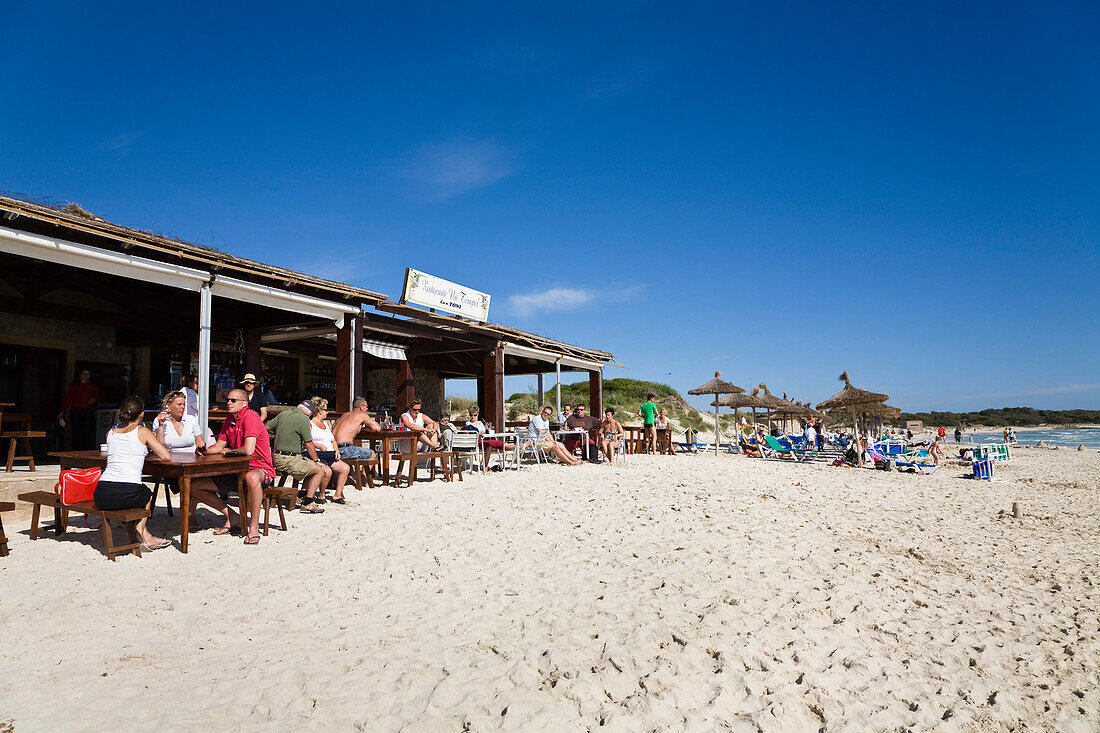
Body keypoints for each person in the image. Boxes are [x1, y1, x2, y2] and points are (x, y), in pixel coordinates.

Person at [195, 388, 277, 542]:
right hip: (237, 470)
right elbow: (219, 447)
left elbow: (248, 449)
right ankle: (233, 517)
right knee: (195, 485)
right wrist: (204, 451)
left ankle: (253, 527)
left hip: (260, 469)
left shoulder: (251, 416)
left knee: (251, 477)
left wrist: (229, 451)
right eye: (227, 399)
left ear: (244, 403)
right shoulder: (230, 419)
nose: (228, 402)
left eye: (233, 400)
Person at [94, 395, 173, 550]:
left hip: (102, 493)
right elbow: (166, 456)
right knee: (146, 495)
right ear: (141, 414)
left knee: (138, 494)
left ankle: (146, 536)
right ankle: (141, 531)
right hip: (128, 491)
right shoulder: (142, 431)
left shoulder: (111, 432)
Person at [267, 400, 327, 513]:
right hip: (288, 459)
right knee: (320, 470)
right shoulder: (304, 419)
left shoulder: (284, 413)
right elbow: (309, 443)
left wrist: (278, 433)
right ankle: (308, 502)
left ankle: (302, 495)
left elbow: (266, 427)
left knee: (311, 467)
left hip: (277, 456)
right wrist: (317, 460)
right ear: (309, 414)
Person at [308, 397, 351, 504]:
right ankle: (321, 495)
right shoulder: (310, 424)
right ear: (319, 410)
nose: (327, 412)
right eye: (325, 409)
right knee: (327, 471)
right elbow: (306, 441)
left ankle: (337, 495)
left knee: (345, 468)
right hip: (317, 454)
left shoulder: (325, 424)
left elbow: (332, 439)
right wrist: (318, 445)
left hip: (330, 454)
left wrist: (336, 449)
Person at [58, 368, 99, 450]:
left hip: (88, 411)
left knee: (86, 433)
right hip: (76, 411)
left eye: (88, 374)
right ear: (80, 375)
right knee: (77, 432)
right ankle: (76, 451)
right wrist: (62, 411)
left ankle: (85, 452)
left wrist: (94, 400)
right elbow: (68, 399)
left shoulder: (93, 386)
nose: (86, 376)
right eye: (84, 374)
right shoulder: (74, 385)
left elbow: (97, 398)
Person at [332, 396, 380, 461]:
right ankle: (364, 472)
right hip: (344, 449)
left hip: (333, 448)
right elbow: (377, 428)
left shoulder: (344, 415)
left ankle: (355, 471)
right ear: (361, 407)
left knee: (349, 466)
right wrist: (363, 429)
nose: (367, 409)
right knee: (371, 454)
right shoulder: (362, 415)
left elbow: (333, 427)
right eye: (366, 406)